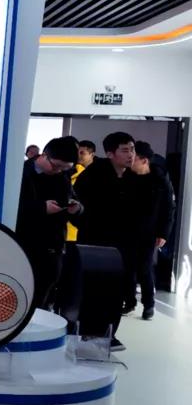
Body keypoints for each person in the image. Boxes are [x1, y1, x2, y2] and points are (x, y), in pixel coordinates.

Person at [73, 131, 138, 349]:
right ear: (110, 153)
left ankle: (108, 333)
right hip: (95, 243)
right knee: (94, 289)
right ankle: (90, 332)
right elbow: (78, 211)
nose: (130, 155)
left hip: (123, 245)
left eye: (132, 150)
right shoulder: (92, 176)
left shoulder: (133, 177)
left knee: (116, 291)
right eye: (125, 150)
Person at [16, 136, 81, 309]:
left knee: (45, 293)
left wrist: (76, 208)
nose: (58, 171)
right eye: (56, 166)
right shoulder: (20, 172)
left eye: (65, 168)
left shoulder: (63, 176)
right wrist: (41, 208)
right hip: (25, 243)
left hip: (54, 245)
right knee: (22, 294)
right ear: (44, 155)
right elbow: (10, 207)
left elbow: (73, 200)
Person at [128, 141, 175, 320]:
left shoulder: (160, 179)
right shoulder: (127, 177)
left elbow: (169, 208)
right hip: (126, 229)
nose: (130, 160)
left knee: (145, 268)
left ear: (144, 160)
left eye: (134, 158)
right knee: (127, 267)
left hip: (149, 231)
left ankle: (149, 305)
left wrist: (164, 233)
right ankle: (129, 301)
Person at [67, 140, 95, 242]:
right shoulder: (71, 170)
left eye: (82, 153)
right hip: (70, 224)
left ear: (92, 154)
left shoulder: (97, 174)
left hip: (86, 226)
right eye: (77, 153)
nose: (78, 156)